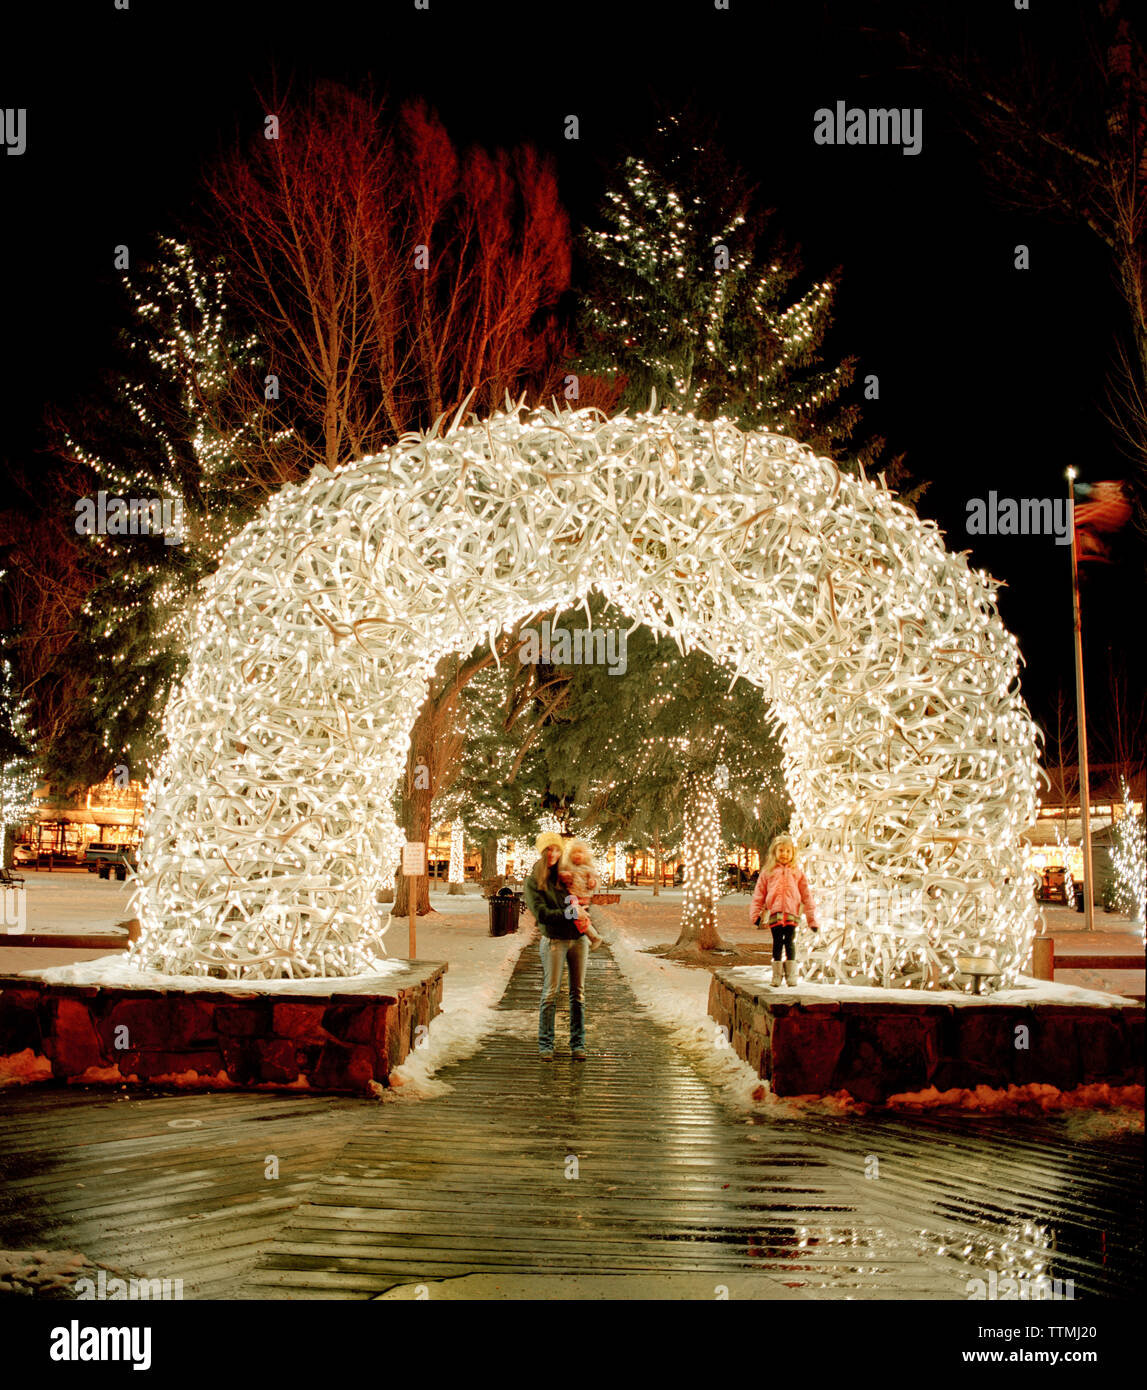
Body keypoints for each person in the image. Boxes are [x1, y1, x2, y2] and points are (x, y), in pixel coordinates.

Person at [523, 832, 590, 1061]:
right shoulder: (534, 880)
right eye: (548, 850)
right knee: (550, 993)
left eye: (556, 849)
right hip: (554, 941)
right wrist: (570, 913)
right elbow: (541, 913)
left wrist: (581, 907)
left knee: (578, 993)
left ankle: (578, 1044)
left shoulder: (566, 876)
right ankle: (546, 1044)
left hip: (578, 939)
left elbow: (581, 896)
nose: (552, 854)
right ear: (542, 852)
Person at [749, 832, 819, 986]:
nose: (784, 854)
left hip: (792, 913)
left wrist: (812, 919)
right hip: (775, 913)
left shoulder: (797, 872)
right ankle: (776, 976)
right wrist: (756, 916)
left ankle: (791, 976)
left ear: (793, 853)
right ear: (775, 852)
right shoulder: (768, 872)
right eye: (781, 850)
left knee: (789, 942)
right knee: (777, 943)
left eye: (788, 851)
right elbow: (759, 893)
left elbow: (806, 895)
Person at [557, 839, 604, 950]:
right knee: (571, 918)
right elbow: (561, 878)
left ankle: (594, 937)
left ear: (585, 855)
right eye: (574, 852)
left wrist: (593, 883)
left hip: (582, 896)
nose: (577, 855)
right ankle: (584, 939)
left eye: (580, 852)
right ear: (569, 855)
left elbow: (596, 881)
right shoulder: (568, 868)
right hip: (571, 896)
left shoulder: (588, 869)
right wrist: (564, 876)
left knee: (577, 917)